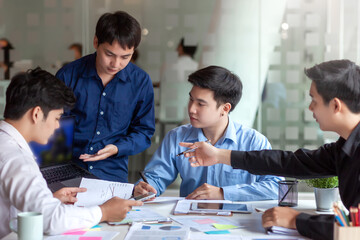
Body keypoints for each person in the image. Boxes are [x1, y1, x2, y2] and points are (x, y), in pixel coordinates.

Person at [180, 59, 360, 239]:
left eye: (314, 100)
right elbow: (290, 162)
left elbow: (357, 229)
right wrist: (219, 155)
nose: (310, 107)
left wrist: (297, 220)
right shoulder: (344, 147)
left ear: (336, 105)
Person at [0, 67, 142, 238]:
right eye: (57, 118)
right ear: (37, 114)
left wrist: (49, 200)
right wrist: (103, 212)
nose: (58, 126)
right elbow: (52, 220)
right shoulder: (17, 159)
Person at [134, 66, 283, 201]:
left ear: (225, 109)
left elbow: (277, 187)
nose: (191, 108)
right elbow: (155, 177)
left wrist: (223, 193)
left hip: (238, 223)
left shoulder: (253, 142)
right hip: (189, 221)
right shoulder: (177, 137)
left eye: (201, 104)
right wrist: (146, 188)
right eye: (191, 99)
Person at [56, 11, 155, 182]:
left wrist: (117, 148)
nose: (116, 64)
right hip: (68, 171)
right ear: (96, 42)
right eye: (109, 54)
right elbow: (51, 126)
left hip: (112, 174)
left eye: (125, 57)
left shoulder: (140, 82)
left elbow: (143, 132)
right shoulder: (68, 75)